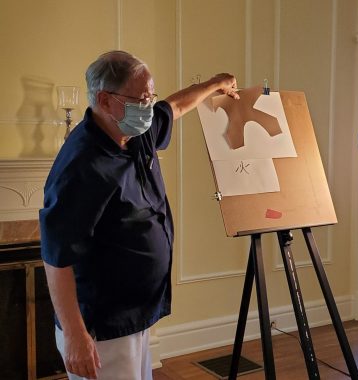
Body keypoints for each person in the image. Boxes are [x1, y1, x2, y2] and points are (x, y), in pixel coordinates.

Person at [40, 50, 239, 380]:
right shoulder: (81, 166)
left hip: (136, 313)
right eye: (141, 99)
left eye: (151, 97)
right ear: (105, 100)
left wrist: (212, 85)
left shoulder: (133, 131)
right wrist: (75, 336)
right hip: (103, 327)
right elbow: (56, 256)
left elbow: (173, 108)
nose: (148, 107)